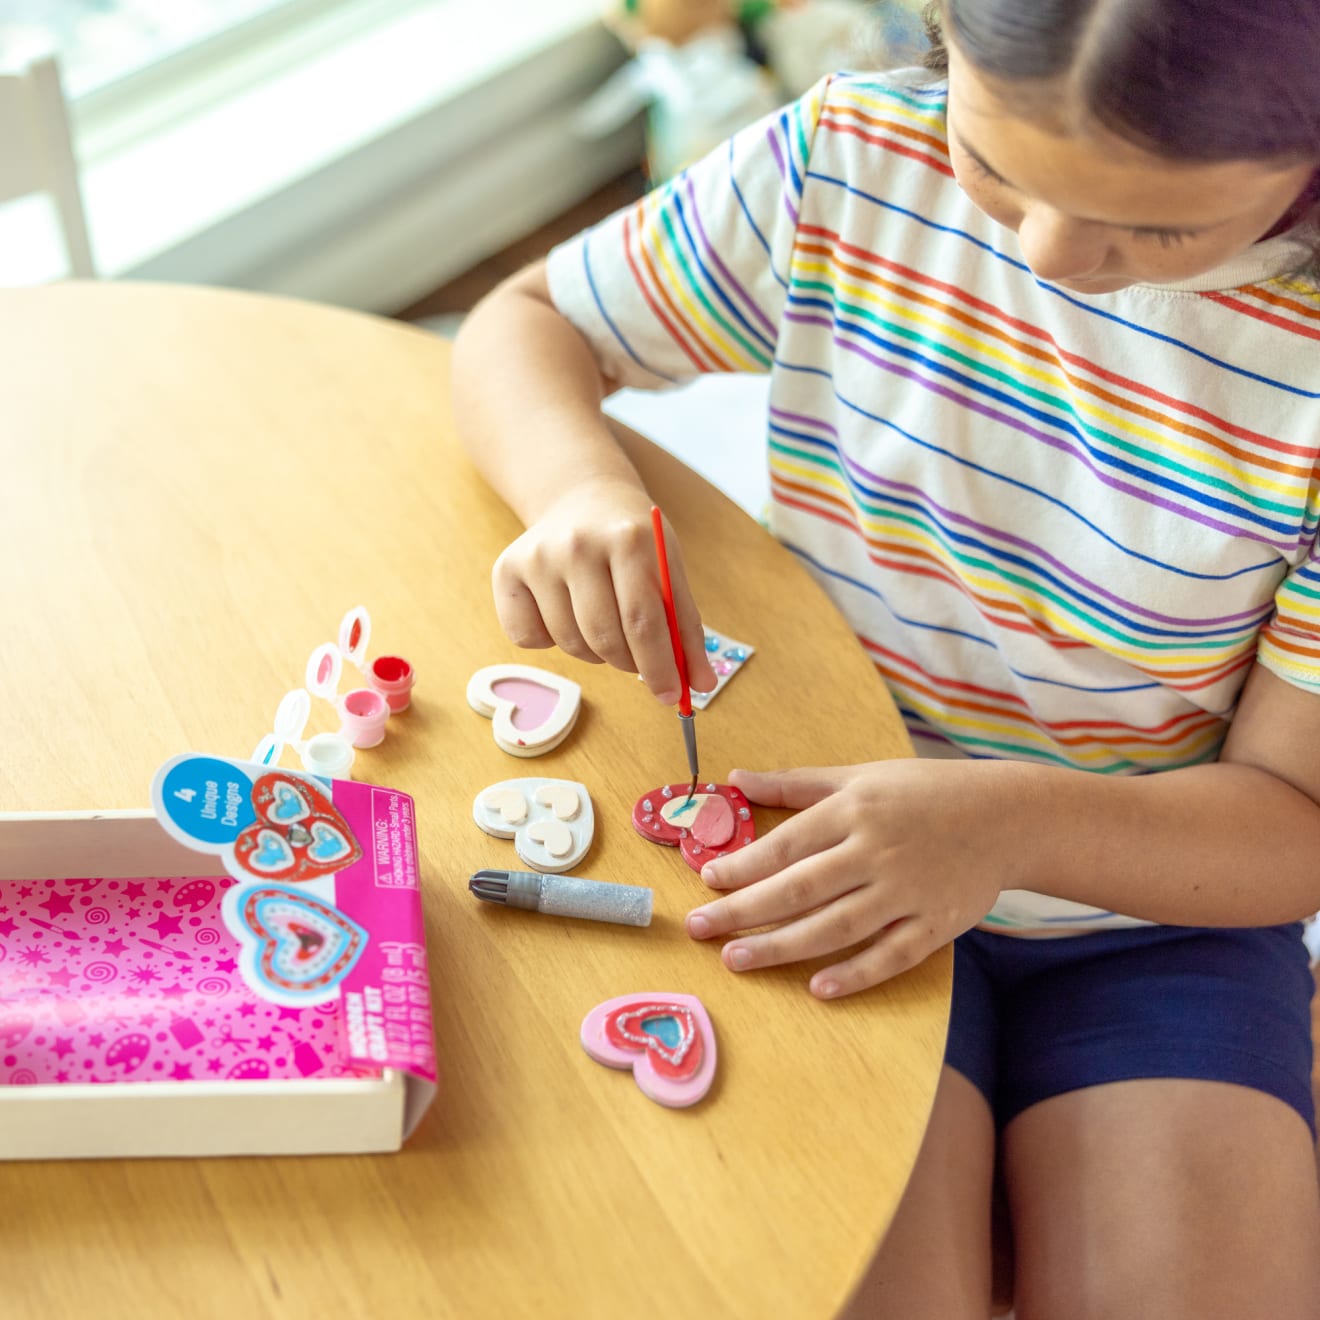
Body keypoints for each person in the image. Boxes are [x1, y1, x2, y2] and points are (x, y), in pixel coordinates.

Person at [452, 1, 1320, 1313]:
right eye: (998, 165)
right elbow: (528, 323)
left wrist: (1006, 826)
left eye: (1157, 231)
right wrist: (576, 489)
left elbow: (1295, 819)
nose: (1047, 251)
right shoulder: (851, 156)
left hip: (1151, 910)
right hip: (810, 843)